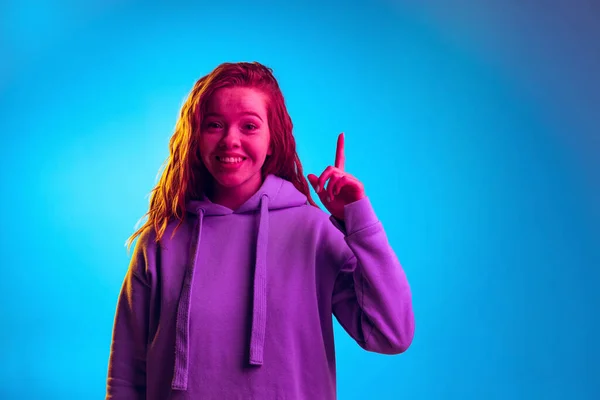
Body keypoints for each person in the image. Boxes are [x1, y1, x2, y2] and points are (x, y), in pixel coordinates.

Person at [106, 61, 415, 400]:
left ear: (272, 140)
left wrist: (359, 218)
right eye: (214, 125)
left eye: (249, 126)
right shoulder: (161, 241)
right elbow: (125, 378)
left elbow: (391, 334)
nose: (230, 140)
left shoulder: (312, 233)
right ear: (195, 138)